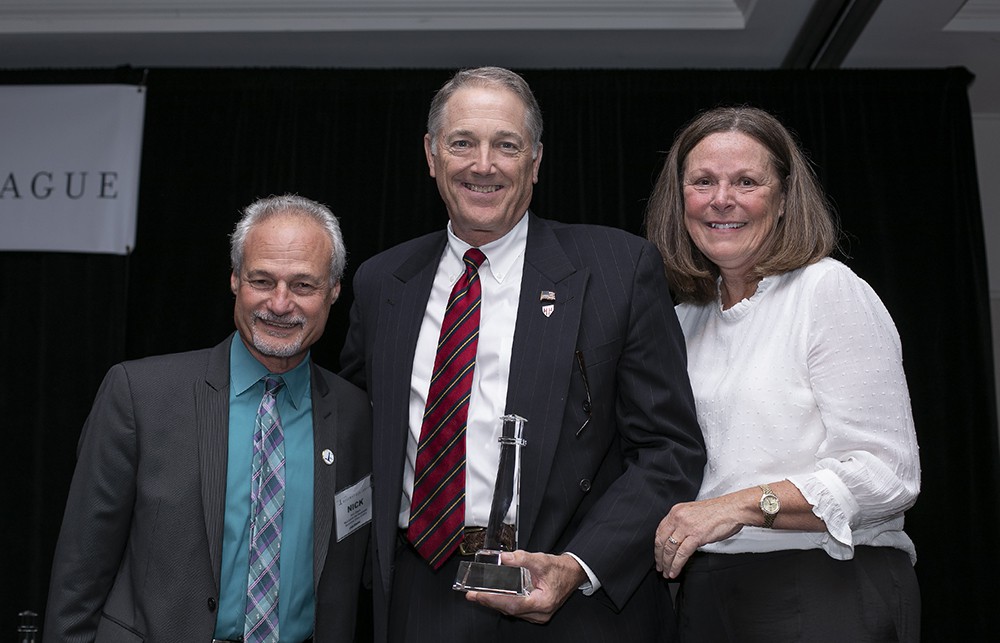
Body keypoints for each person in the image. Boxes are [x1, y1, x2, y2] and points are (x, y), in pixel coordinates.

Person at [338, 66, 706, 643]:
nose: (483, 165)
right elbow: (354, 430)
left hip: (573, 603)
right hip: (417, 597)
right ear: (431, 155)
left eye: (506, 145)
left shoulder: (618, 269)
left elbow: (669, 450)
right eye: (462, 143)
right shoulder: (383, 281)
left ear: (535, 162)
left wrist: (578, 567)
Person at [645, 106, 921, 641]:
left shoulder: (827, 291)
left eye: (746, 181)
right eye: (703, 181)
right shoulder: (681, 323)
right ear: (680, 202)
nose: (721, 199)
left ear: (783, 198)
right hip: (706, 590)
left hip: (824, 582)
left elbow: (887, 473)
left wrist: (741, 506)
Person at [43, 195, 372, 643]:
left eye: (303, 286)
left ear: (334, 290)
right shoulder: (140, 396)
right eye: (262, 280)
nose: (279, 304)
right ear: (235, 280)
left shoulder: (356, 415)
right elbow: (79, 575)